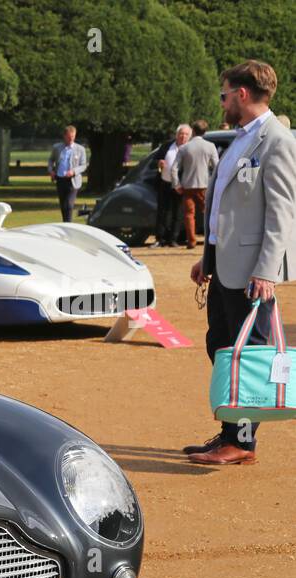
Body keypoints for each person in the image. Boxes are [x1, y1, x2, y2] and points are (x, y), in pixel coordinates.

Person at [186, 59, 296, 465]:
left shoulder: (277, 141)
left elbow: (282, 212)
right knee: (221, 347)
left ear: (242, 94)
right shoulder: (240, 138)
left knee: (248, 355)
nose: (222, 102)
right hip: (225, 269)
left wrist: (266, 270)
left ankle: (242, 443)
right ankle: (230, 432)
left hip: (253, 273)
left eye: (224, 94)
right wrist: (207, 258)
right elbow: (224, 208)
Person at [171, 119, 217, 250]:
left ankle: (191, 241)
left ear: (193, 131)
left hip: (188, 186)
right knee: (208, 213)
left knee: (189, 214)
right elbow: (217, 167)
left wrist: (176, 184)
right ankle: (211, 239)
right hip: (204, 185)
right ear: (205, 132)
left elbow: (174, 168)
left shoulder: (185, 148)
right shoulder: (210, 146)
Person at [156, 125, 189, 246]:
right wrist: (159, 162)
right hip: (164, 182)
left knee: (177, 213)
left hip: (180, 185)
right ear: (177, 134)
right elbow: (157, 158)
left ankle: (173, 239)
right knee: (163, 211)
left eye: (186, 134)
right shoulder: (167, 146)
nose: (183, 136)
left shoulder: (189, 148)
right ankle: (160, 239)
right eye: (181, 133)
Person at [47, 125, 88, 222]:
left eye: (73, 137)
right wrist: (51, 170)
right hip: (60, 179)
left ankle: (69, 224)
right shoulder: (57, 148)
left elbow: (83, 165)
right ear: (64, 136)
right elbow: (51, 160)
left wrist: (73, 171)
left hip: (73, 181)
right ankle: (65, 224)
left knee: (69, 205)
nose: (71, 139)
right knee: (63, 205)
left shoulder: (80, 149)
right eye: (69, 137)